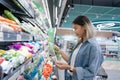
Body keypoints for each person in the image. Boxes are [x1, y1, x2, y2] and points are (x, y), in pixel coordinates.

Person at [55, 16, 104, 80]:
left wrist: (69, 68)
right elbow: (72, 60)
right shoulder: (80, 43)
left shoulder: (93, 46)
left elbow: (91, 73)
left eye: (76, 28)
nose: (74, 31)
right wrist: (59, 51)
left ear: (84, 27)